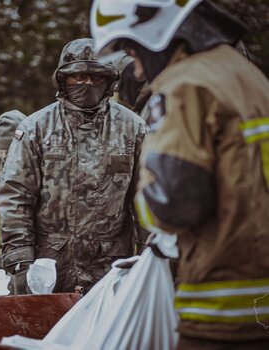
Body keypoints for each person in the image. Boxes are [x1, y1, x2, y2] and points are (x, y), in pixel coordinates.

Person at [91, 0, 269, 348]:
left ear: (155, 33)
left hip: (221, 304)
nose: (138, 71)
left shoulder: (186, 85)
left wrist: (146, 204)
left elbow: (171, 204)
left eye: (132, 49)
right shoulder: (248, 76)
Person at [0, 38, 148, 294]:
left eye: (95, 77)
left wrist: (150, 258)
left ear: (108, 81)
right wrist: (18, 259)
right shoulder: (36, 129)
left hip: (111, 269)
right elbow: (16, 195)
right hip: (48, 267)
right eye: (77, 76)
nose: (86, 83)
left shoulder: (133, 129)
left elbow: (147, 200)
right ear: (62, 80)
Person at [0, 110, 26, 270]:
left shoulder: (36, 163)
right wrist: (2, 257)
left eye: (8, 151)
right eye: (0, 152)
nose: (4, 157)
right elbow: (8, 212)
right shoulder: (4, 162)